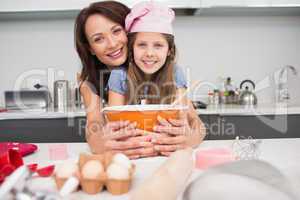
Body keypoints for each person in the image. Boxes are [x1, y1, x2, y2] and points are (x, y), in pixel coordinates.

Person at [108, 1, 206, 156]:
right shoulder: (119, 76)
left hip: (167, 154)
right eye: (142, 45)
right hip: (132, 154)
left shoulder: (175, 73)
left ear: (169, 51)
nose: (149, 53)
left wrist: (190, 139)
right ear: (132, 49)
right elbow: (114, 127)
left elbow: (196, 124)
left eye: (158, 45)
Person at [74, 1, 156, 159]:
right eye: (99, 39)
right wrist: (99, 144)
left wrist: (188, 138)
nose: (112, 44)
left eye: (117, 31)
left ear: (130, 30)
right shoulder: (89, 81)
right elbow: (94, 125)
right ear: (90, 48)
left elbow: (195, 124)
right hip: (122, 158)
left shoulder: (156, 65)